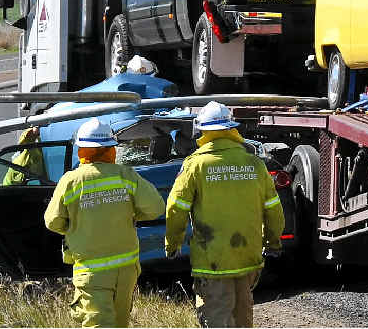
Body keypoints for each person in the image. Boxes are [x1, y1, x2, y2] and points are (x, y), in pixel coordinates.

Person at [165, 102, 284, 328]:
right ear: (231, 129)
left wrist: (173, 244)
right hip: (248, 257)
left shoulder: (195, 165)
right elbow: (274, 209)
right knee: (242, 319)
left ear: (202, 131)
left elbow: (175, 208)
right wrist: (273, 242)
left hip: (213, 262)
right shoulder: (254, 163)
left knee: (217, 319)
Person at [44, 117, 165, 328]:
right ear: (111, 149)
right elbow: (156, 208)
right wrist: (130, 215)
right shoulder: (126, 175)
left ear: (82, 149)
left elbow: (52, 221)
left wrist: (76, 225)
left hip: (92, 272)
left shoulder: (71, 181)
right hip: (126, 270)